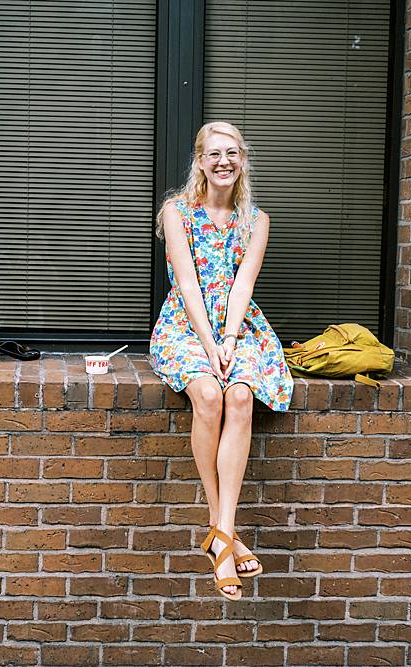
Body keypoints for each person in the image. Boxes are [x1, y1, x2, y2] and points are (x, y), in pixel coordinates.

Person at [150, 121, 293, 600]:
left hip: (238, 326)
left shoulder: (257, 221)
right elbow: (188, 285)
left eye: (232, 153)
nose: (223, 162)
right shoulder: (177, 213)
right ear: (200, 162)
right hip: (185, 326)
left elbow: (243, 285)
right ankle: (225, 534)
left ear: (243, 160)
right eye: (214, 154)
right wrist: (209, 343)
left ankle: (220, 536)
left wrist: (229, 338)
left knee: (239, 395)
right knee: (208, 394)